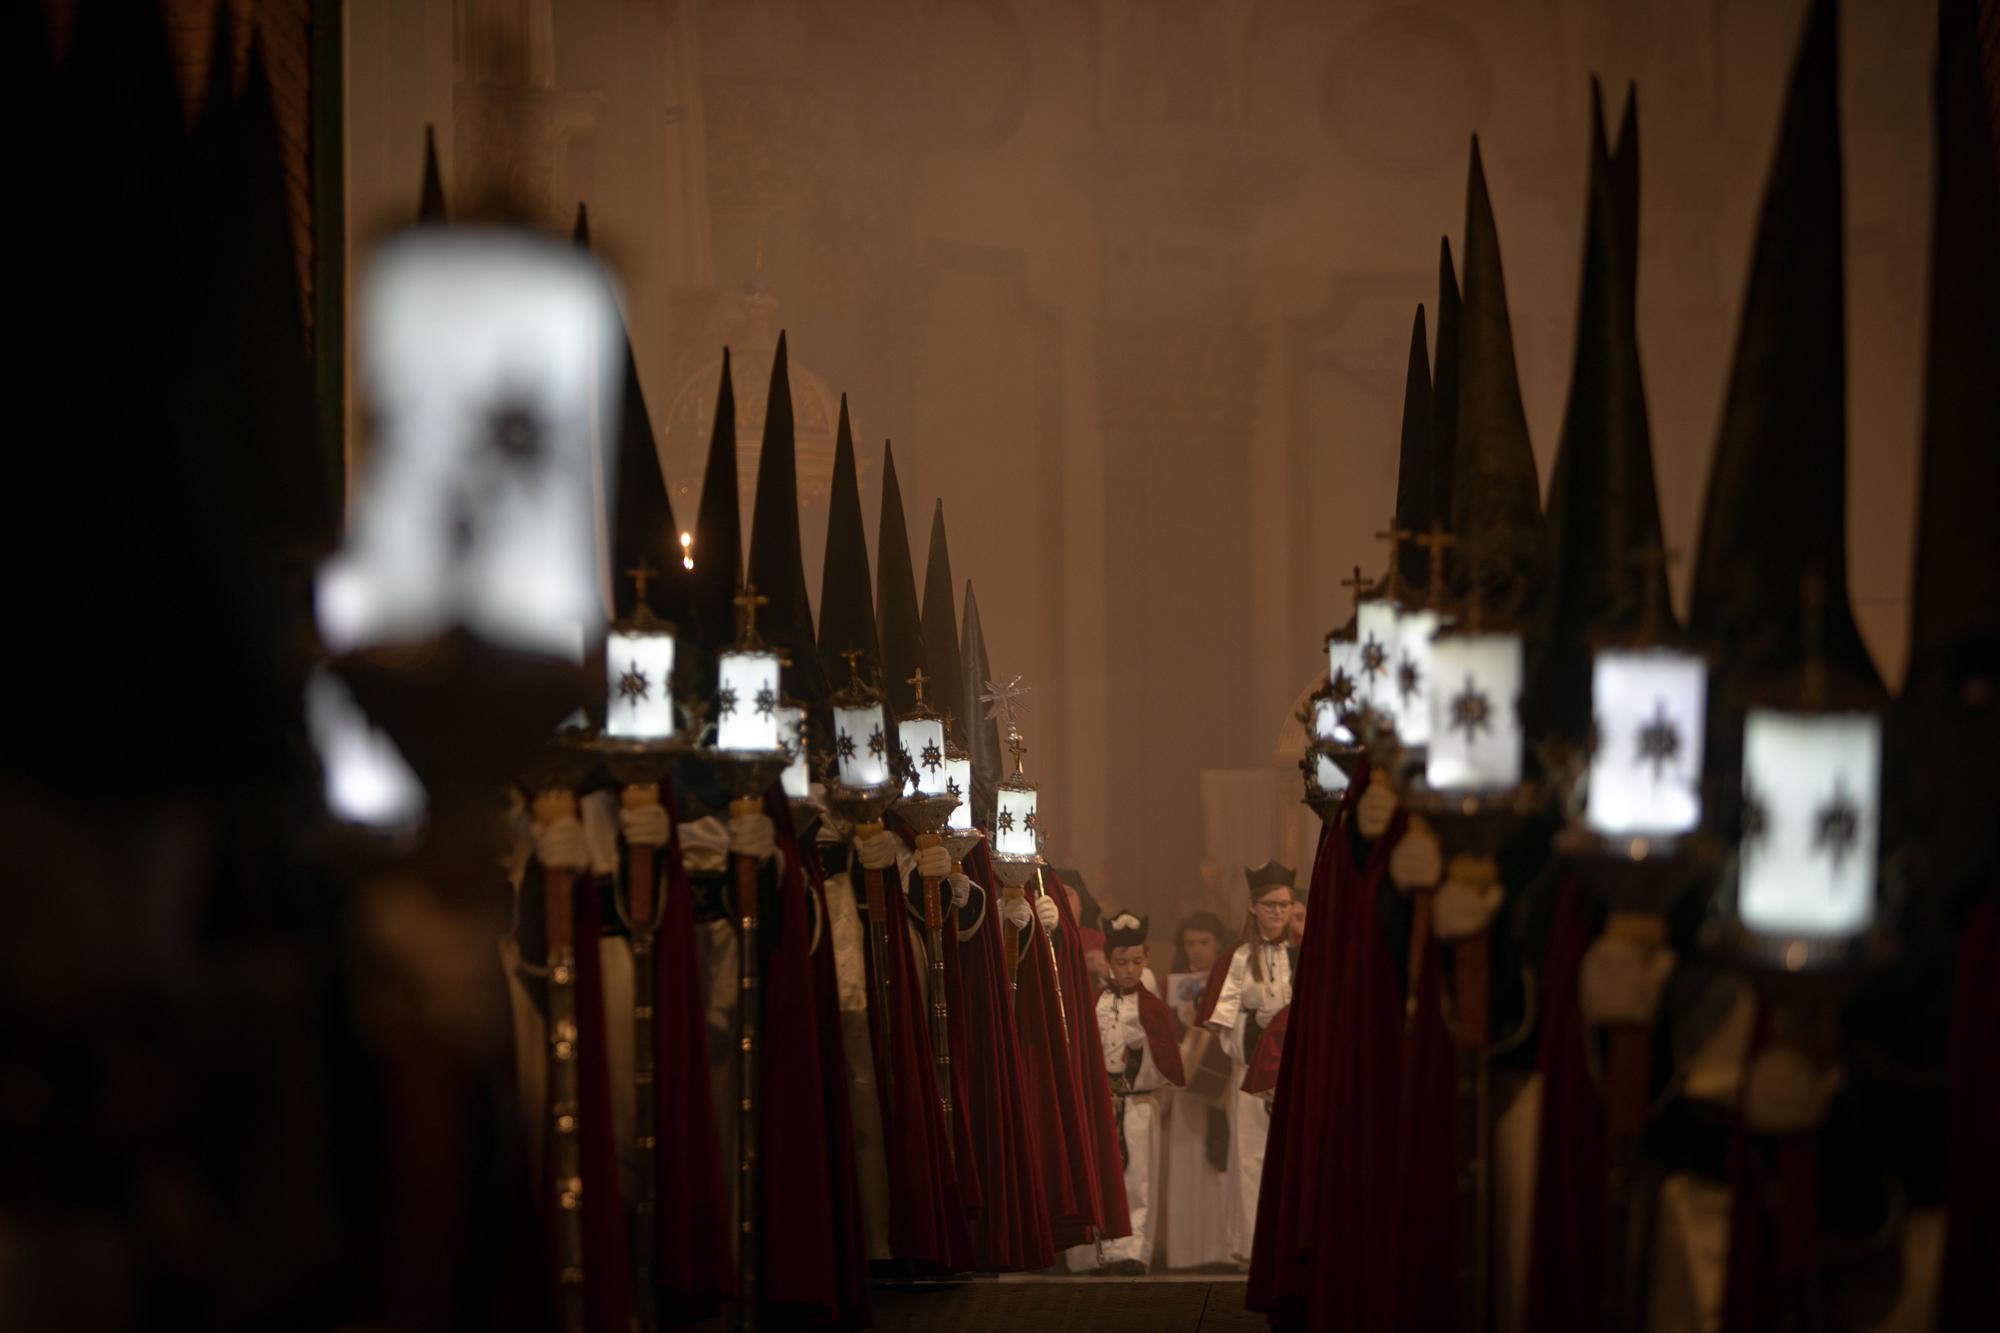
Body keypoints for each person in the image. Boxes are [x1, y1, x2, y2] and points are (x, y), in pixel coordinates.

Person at [1073, 913, 1186, 1275]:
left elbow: (1167, 1056)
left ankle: (1134, 1249)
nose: (1130, 970)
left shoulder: (1151, 1007)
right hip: (1101, 1104)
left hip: (1137, 1101)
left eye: (1137, 962)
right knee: (1102, 1176)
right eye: (1122, 962)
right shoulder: (1094, 1002)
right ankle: (1096, 1253)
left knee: (1138, 1177)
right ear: (1108, 961)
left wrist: (1143, 1049)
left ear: (1146, 960)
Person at [1204, 861, 1298, 1266]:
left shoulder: (1301, 956)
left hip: (1295, 1076)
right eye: (1271, 905)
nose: (1278, 912)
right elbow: (1220, 1024)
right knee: (1250, 1159)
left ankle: (1292, 1242)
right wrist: (1254, 1024)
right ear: (1253, 907)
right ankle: (1254, 1244)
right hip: (1251, 1077)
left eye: (1285, 905)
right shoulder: (1238, 958)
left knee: (1294, 1161)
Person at [1160, 910, 1237, 1270]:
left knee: (1219, 1161)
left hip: (1219, 1083)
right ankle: (1187, 1251)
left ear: (1218, 944)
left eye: (1204, 943)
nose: (1196, 951)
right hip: (1186, 1087)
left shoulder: (1229, 982)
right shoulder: (1175, 986)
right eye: (1190, 943)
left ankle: (1221, 1248)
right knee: (1188, 1160)